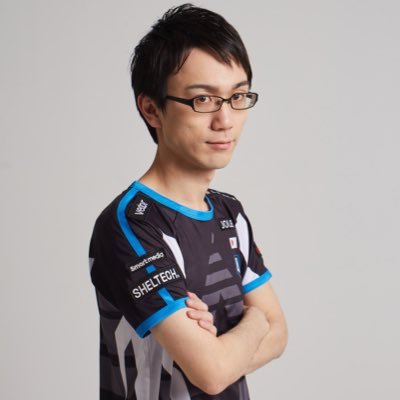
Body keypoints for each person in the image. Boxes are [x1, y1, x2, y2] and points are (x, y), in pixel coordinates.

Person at [89, 3, 288, 399]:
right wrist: (254, 322)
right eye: (203, 100)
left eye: (237, 96)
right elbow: (212, 373)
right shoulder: (131, 224)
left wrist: (232, 343)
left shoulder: (229, 212)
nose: (225, 120)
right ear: (151, 109)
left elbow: (279, 332)